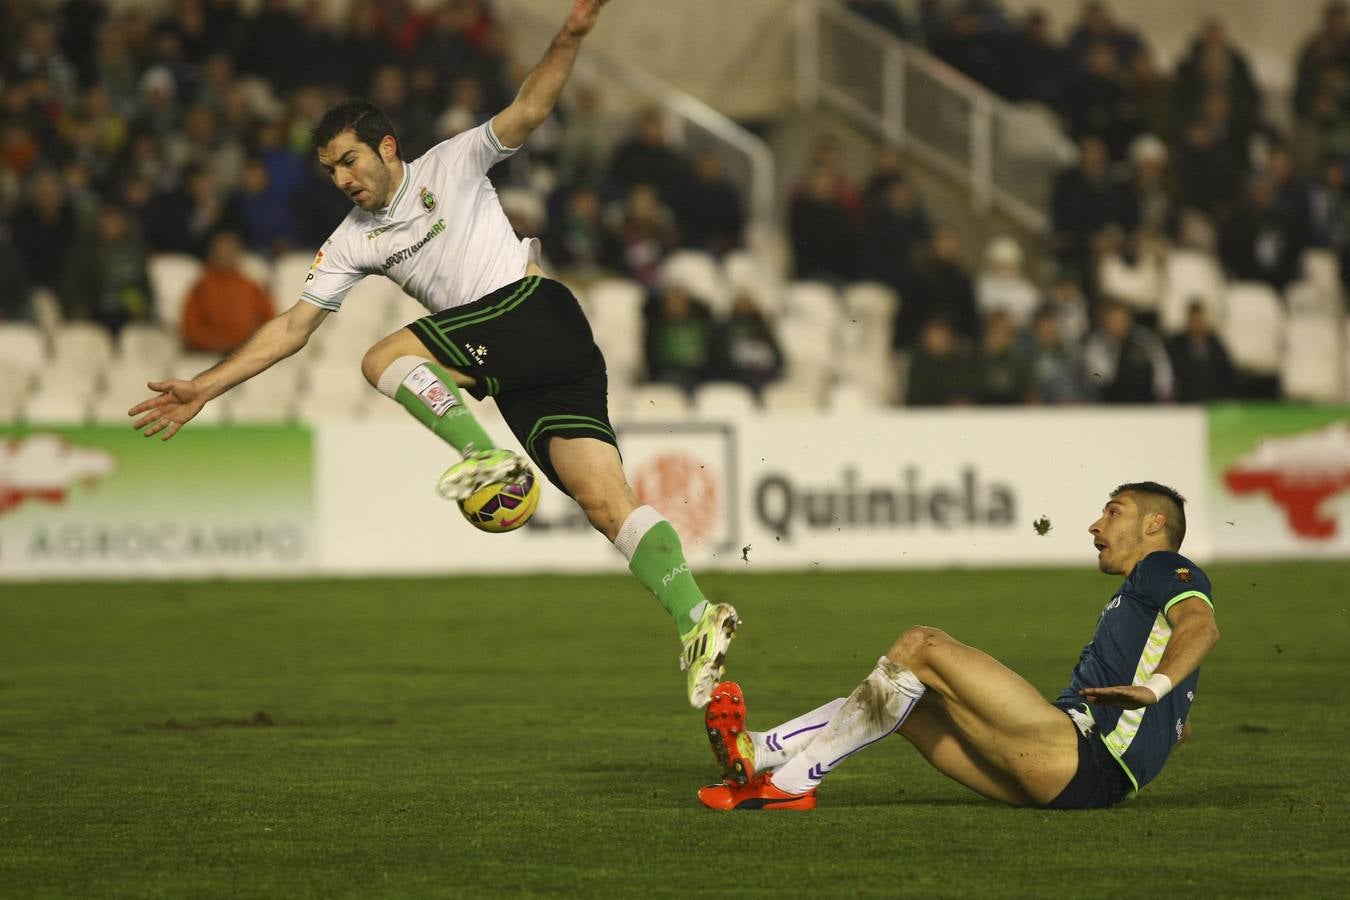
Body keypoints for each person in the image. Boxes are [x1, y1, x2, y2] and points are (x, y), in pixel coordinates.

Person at [127, 0, 738, 709]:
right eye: (330, 171)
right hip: (520, 363)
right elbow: (291, 328)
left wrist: (568, 38)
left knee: (381, 357)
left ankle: (481, 458)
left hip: (531, 311)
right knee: (606, 504)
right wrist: (205, 387)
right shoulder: (352, 239)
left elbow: (530, 109)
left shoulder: (451, 161)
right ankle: (697, 615)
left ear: (387, 147)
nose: (343, 180)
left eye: (349, 160)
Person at [698, 481, 1220, 811]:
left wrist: (1152, 691)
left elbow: (1201, 625)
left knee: (921, 646)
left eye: (1114, 511)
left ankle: (787, 781)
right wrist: (1164, 718)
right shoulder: (1137, 604)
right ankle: (761, 751)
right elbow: (1181, 728)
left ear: (1154, 524)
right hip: (1067, 781)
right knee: (905, 706)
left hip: (1080, 753)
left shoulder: (1158, 568)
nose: (1095, 524)